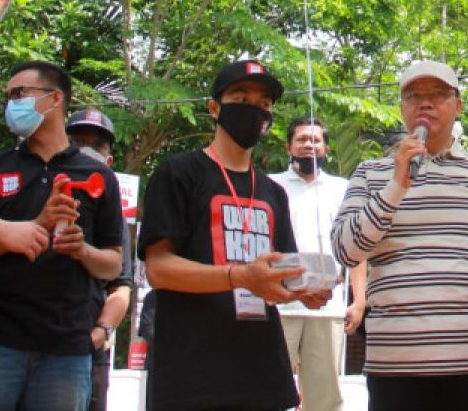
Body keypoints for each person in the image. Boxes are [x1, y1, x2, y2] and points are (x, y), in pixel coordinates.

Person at [332, 60, 468, 411]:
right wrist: (396, 184)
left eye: (438, 94)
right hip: (395, 370)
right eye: (414, 95)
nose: (425, 103)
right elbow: (346, 251)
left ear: (457, 105)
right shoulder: (370, 175)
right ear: (401, 109)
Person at [138, 59, 328, 411]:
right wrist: (239, 276)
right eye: (241, 99)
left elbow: (282, 273)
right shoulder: (178, 174)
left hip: (261, 368)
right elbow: (158, 269)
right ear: (214, 108)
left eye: (263, 105)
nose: (253, 110)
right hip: (191, 370)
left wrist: (305, 291)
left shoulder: (273, 191)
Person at [0, 61, 124, 410]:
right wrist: (34, 225)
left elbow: (113, 265)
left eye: (19, 94)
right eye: (8, 96)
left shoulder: (98, 177)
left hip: (66, 348)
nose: (11, 104)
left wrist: (83, 251)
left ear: (55, 98)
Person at [271, 116, 367, 411]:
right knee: (270, 393)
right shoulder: (270, 186)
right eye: (301, 139)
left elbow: (357, 247)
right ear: (288, 146)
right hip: (278, 307)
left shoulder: (343, 188)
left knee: (325, 400)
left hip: (327, 310)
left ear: (326, 149)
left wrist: (359, 300)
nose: (308, 145)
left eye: (316, 140)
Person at [67, 109, 135, 411]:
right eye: (78, 141)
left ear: (109, 161)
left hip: (86, 347)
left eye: (98, 146)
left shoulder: (114, 218)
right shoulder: (36, 195)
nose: (87, 151)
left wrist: (100, 334)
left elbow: (121, 286)